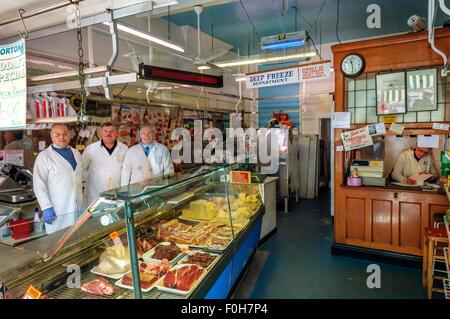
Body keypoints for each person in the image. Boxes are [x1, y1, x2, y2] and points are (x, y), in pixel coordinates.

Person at [33, 124, 82, 234]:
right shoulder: (44, 156)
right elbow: (38, 184)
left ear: (69, 135)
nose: (62, 137)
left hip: (77, 204)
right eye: (57, 135)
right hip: (57, 207)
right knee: (57, 239)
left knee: (76, 238)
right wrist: (46, 208)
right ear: (52, 137)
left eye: (65, 134)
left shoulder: (76, 153)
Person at [80, 122, 128, 208]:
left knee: (115, 219)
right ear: (101, 132)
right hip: (95, 193)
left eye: (112, 131)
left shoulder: (124, 149)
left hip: (117, 193)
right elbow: (81, 168)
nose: (108, 134)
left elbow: (127, 170)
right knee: (96, 218)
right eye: (105, 131)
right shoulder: (91, 148)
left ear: (117, 133)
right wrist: (91, 179)